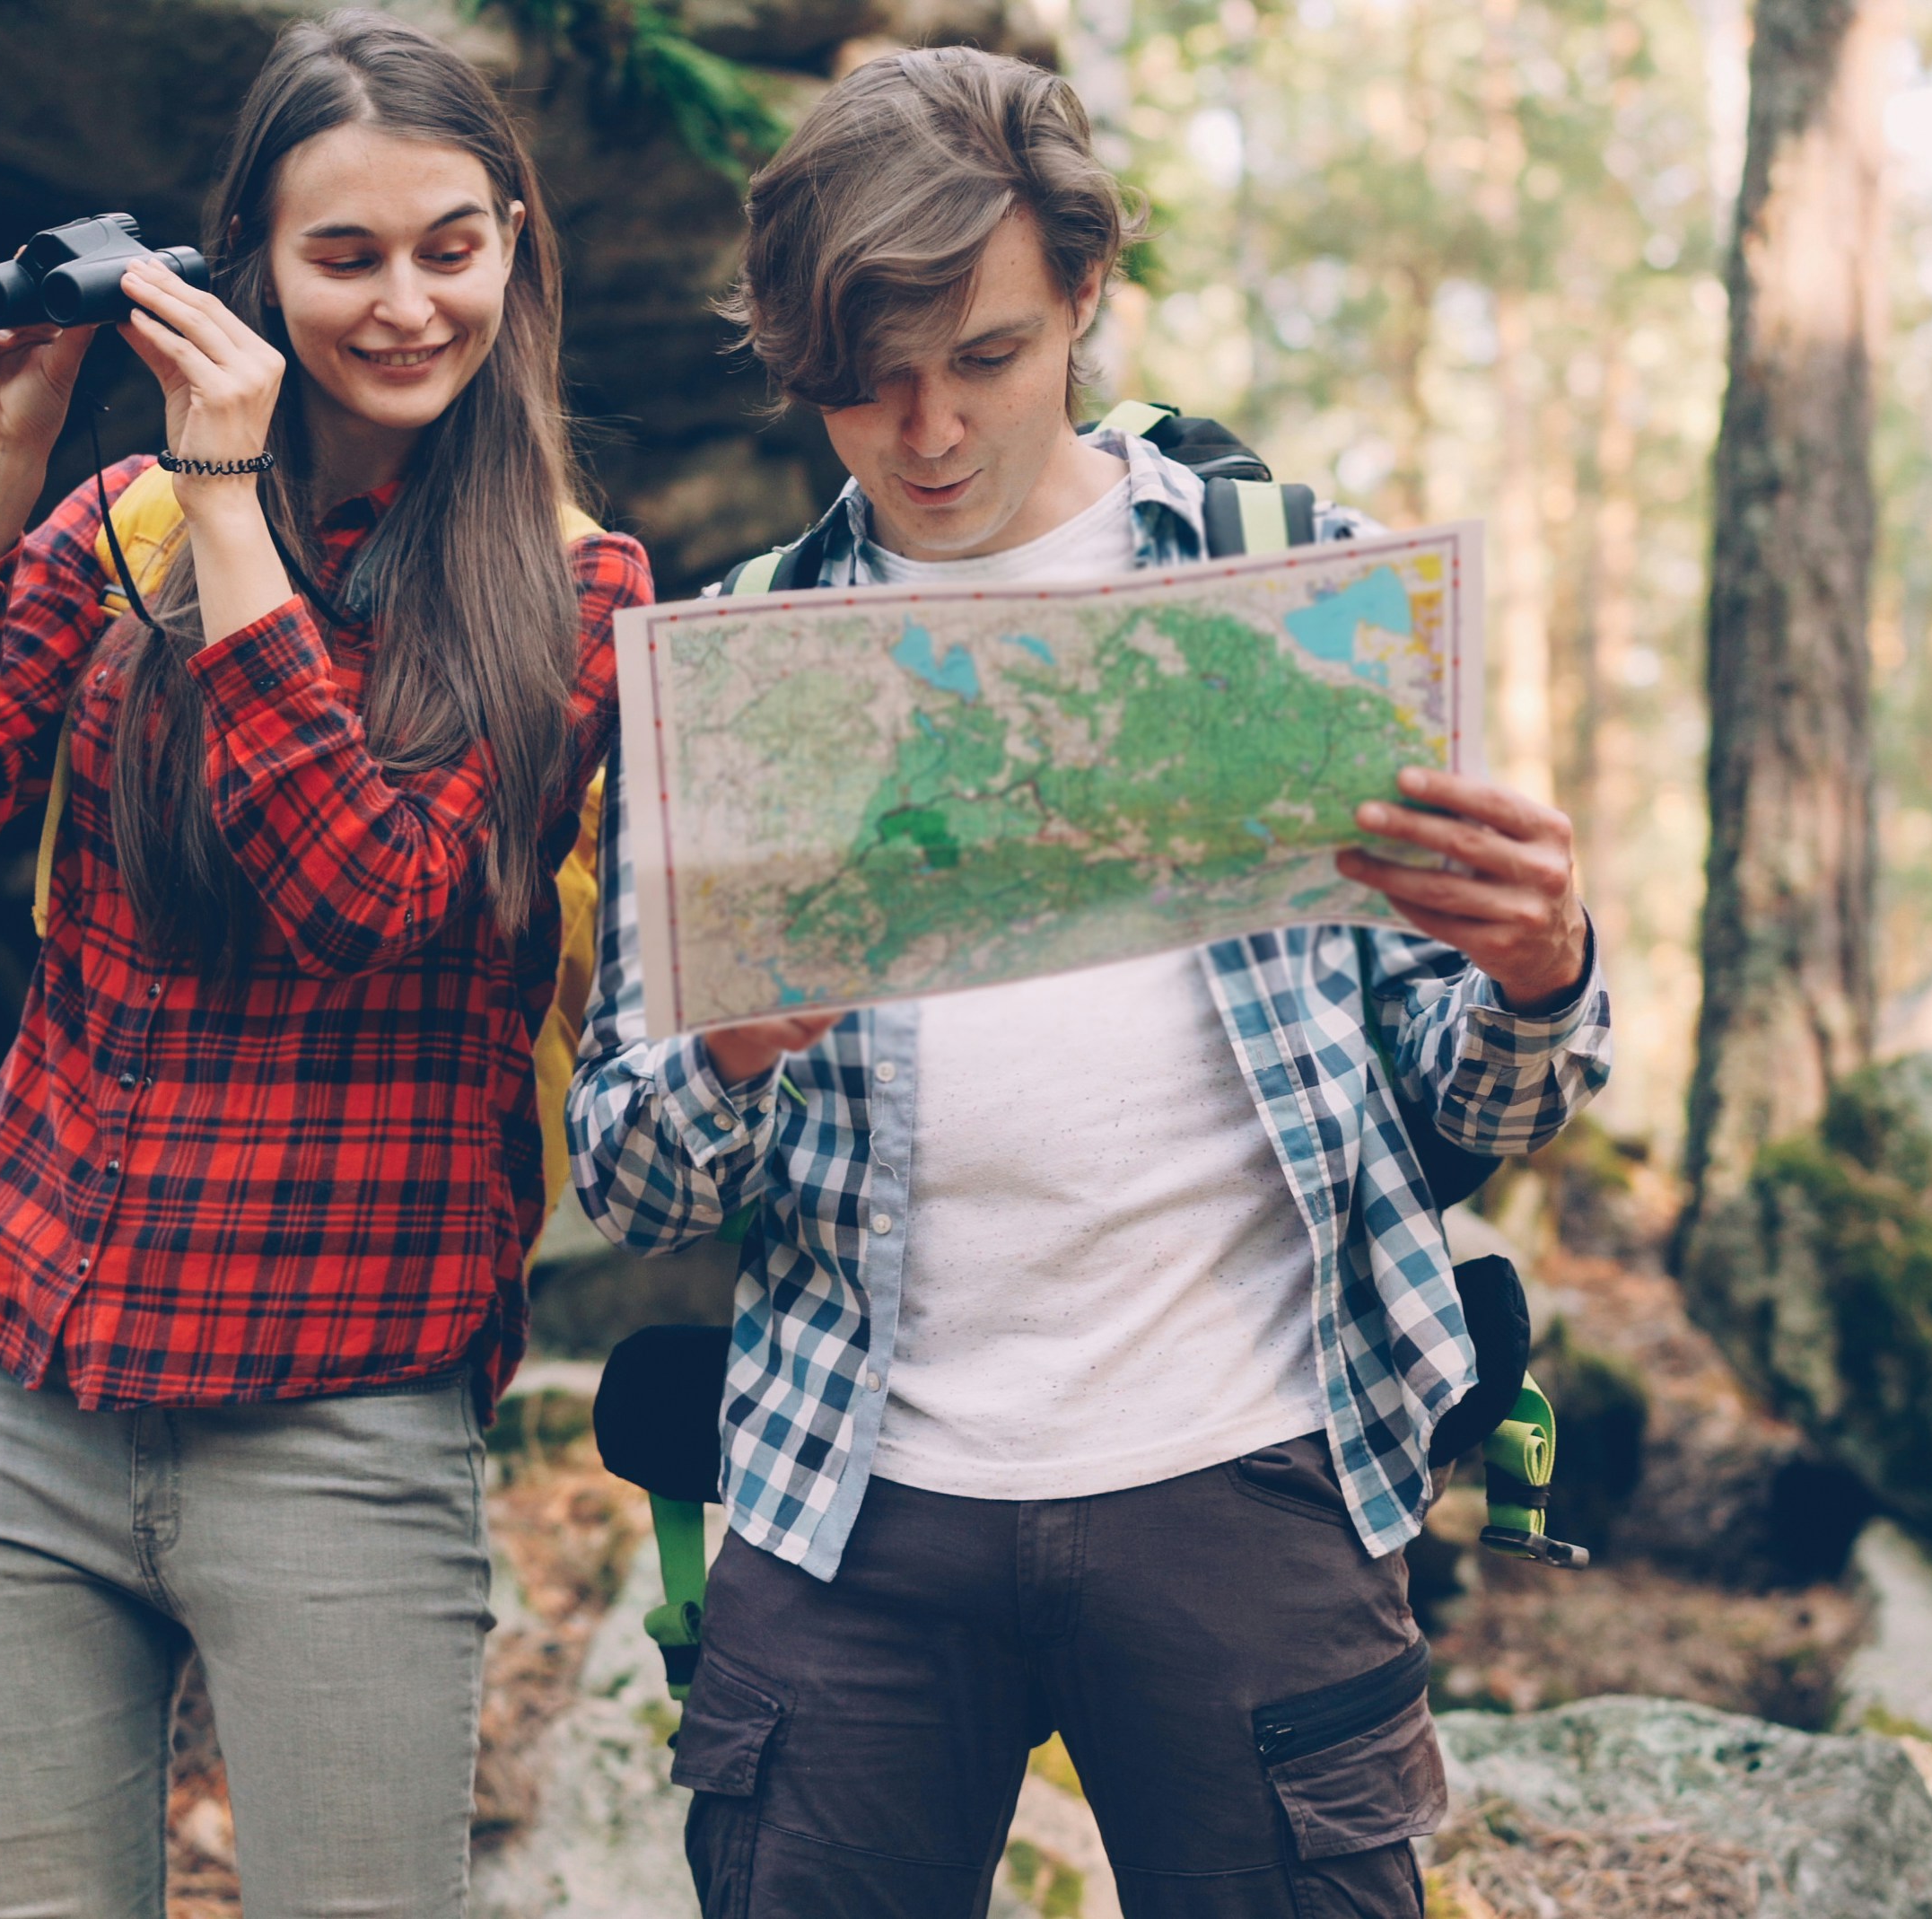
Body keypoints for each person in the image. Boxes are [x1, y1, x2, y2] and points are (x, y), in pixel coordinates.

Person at [566, 47, 1613, 1919]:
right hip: (845, 1501)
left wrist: (1538, 977)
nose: (931, 432)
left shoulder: (1287, 590)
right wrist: (725, 1050)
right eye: (865, 386)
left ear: (1082, 301)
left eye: (985, 358)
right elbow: (630, 1177)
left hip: (1251, 1476)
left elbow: (1461, 1111)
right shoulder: (738, 668)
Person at [0, 13, 651, 1915]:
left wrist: (221, 497)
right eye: (341, 256)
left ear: (514, 244)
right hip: (13, 1367)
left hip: (342, 1412)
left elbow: (368, 895)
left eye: (449, 245)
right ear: (251, 268)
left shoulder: (583, 593)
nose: (404, 302)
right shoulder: (114, 526)